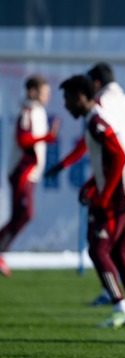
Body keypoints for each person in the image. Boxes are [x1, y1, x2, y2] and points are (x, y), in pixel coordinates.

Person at [46, 62, 125, 305]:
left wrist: (66, 166)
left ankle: (120, 300)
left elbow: (92, 139)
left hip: (113, 181)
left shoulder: (99, 106)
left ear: (93, 85)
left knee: (103, 247)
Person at [59, 75, 125, 328]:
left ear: (80, 97)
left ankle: (120, 306)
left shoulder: (96, 122)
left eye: (67, 100)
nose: (66, 106)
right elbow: (108, 162)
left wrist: (103, 195)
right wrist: (91, 186)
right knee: (121, 253)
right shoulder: (96, 120)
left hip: (120, 196)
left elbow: (120, 157)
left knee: (98, 250)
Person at [0, 76, 59, 277]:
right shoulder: (28, 111)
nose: (48, 96)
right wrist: (46, 137)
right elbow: (22, 138)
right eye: (44, 92)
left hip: (30, 172)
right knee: (24, 213)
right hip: (22, 170)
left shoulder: (38, 111)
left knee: (22, 215)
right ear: (32, 92)